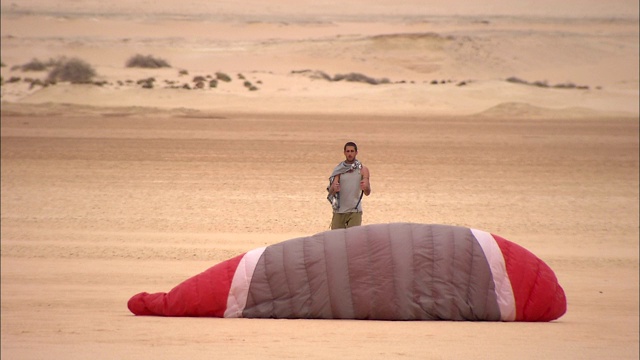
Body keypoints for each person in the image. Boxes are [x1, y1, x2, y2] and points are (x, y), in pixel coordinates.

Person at [327, 142, 371, 229]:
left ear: (356, 152)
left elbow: (368, 192)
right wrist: (334, 188)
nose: (350, 154)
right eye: (348, 151)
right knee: (336, 238)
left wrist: (365, 187)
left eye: (352, 151)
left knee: (353, 239)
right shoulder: (339, 169)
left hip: (355, 211)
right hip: (339, 211)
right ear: (344, 152)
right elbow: (331, 191)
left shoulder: (363, 169)